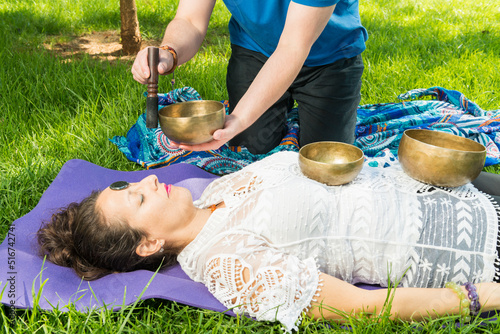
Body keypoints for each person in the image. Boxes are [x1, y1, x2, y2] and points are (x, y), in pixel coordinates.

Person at [38, 151, 500, 330]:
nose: (145, 181)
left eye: (129, 185)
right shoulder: (226, 263)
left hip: (456, 189)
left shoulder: (214, 191)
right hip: (475, 241)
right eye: (137, 200)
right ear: (147, 244)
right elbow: (361, 307)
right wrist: (481, 297)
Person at [131, 0, 367, 155]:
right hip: (256, 50)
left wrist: (241, 118)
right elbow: (190, 20)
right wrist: (169, 52)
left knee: (324, 159)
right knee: (250, 149)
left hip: (330, 58)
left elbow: (293, 47)